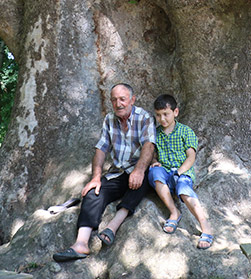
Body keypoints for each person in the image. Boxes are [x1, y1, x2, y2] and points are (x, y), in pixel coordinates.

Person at [53, 83, 156, 261]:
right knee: (93, 192)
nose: (118, 104)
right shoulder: (109, 119)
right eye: (114, 100)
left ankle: (113, 226)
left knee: (145, 178)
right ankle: (81, 244)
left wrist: (139, 170)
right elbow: (101, 149)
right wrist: (95, 178)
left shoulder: (144, 117)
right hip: (118, 172)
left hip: (138, 168)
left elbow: (149, 145)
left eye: (123, 99)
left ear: (132, 100)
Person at [148, 94, 213, 249]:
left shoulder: (185, 131)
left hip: (182, 172)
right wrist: (154, 162)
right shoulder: (155, 134)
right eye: (158, 115)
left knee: (183, 189)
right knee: (154, 174)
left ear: (175, 112)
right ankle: (174, 212)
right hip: (164, 172)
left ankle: (205, 227)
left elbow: (191, 157)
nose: (162, 119)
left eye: (166, 114)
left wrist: (179, 172)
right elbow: (151, 154)